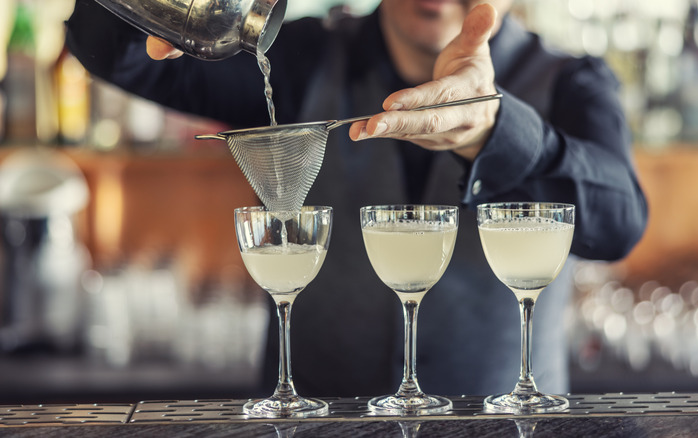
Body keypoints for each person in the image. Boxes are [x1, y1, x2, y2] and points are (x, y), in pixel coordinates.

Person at [65, 0, 648, 397]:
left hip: (508, 426)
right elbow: (118, 56)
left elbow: (618, 220)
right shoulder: (303, 56)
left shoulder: (572, 80)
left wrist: (497, 132)